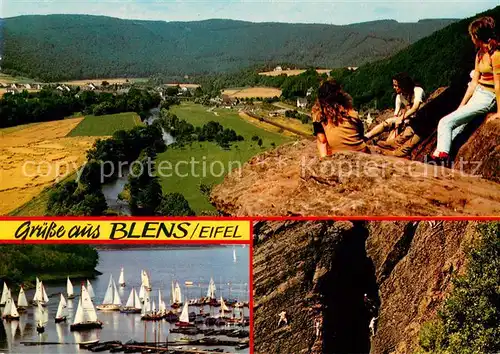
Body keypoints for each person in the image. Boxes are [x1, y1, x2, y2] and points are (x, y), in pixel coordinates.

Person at [430, 16, 500, 162]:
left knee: (445, 122)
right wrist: (462, 106)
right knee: (455, 126)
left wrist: (499, 112)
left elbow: (498, 85)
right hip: (479, 92)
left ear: (477, 36)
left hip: (489, 96)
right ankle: (440, 156)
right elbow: (474, 83)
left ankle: (441, 156)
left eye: (472, 35)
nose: (471, 38)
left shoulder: (496, 55)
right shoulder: (480, 54)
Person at [365, 73, 425, 155]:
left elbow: (415, 107)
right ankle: (367, 136)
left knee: (410, 130)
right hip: (407, 118)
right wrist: (397, 122)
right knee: (388, 122)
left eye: (396, 85)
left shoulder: (418, 90)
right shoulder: (399, 96)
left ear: (403, 85)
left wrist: (402, 118)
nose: (394, 87)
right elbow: (396, 113)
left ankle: (395, 150)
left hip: (420, 118)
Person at [311, 79, 369, 156]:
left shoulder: (319, 115)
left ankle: (324, 158)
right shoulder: (352, 113)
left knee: (321, 140)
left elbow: (322, 140)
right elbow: (360, 133)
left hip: (339, 155)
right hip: (362, 151)